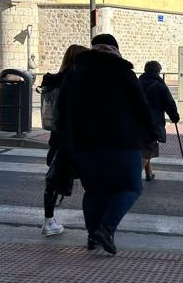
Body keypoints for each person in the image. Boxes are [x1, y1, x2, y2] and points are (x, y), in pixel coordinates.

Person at [58, 34, 157, 255]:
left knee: (94, 191)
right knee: (131, 187)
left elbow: (62, 110)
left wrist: (64, 141)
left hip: (84, 145)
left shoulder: (75, 73)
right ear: (115, 49)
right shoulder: (125, 73)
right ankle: (106, 229)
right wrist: (153, 133)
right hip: (122, 142)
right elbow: (142, 108)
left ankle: (93, 235)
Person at [40, 44, 88, 236]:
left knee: (52, 181)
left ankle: (48, 221)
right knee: (90, 183)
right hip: (80, 140)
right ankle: (96, 225)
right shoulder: (80, 80)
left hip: (58, 139)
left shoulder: (54, 80)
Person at [139, 61, 180, 181]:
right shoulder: (160, 86)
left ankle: (149, 173)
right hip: (152, 123)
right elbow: (169, 104)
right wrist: (175, 117)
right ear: (158, 71)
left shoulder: (137, 83)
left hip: (136, 121)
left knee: (145, 147)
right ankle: (134, 176)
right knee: (148, 149)